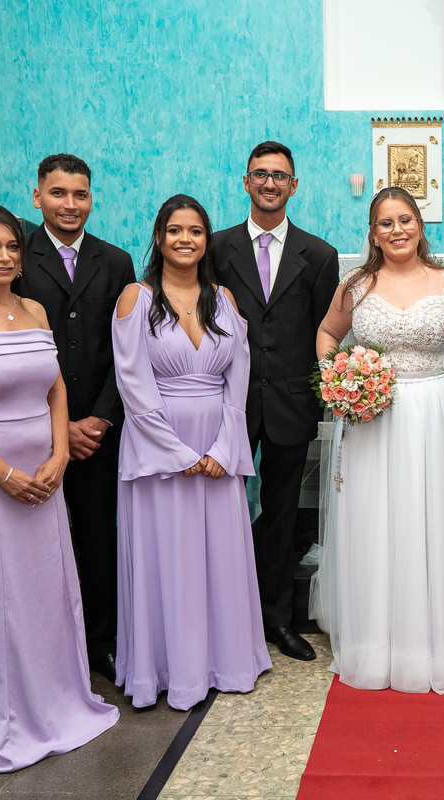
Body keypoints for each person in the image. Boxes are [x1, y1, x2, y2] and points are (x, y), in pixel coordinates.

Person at [0, 202, 118, 773]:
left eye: (11, 246)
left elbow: (56, 390)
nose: (4, 256)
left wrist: (59, 454)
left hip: (44, 474)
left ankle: (59, 704)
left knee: (48, 592)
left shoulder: (34, 309)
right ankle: (7, 721)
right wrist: (0, 471)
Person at [311, 187, 444, 693]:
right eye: (384, 223)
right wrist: (341, 375)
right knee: (377, 520)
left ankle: (443, 638)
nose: (396, 230)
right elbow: (328, 333)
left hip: (436, 409)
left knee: (436, 518)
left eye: (405, 219)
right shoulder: (356, 284)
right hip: (375, 417)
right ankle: (378, 641)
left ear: (420, 225)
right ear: (372, 233)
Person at [112, 195, 269, 710]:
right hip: (161, 450)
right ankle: (168, 669)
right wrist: (180, 453)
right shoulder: (136, 298)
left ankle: (225, 660)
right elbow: (133, 388)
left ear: (207, 240)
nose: (185, 239)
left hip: (218, 447)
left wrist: (223, 448)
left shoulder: (223, 299)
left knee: (219, 558)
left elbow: (237, 380)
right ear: (159, 238)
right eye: (175, 230)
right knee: (169, 558)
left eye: (196, 231)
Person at [212, 141, 339, 662]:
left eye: (280, 176)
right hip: (227, 402)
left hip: (290, 402)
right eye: (260, 175)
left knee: (283, 513)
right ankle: (225, 616)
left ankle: (277, 619)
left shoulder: (320, 254)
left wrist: (320, 394)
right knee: (221, 509)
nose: (270, 183)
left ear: (294, 185)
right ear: (245, 182)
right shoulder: (216, 247)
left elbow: (323, 332)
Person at [23, 154, 137, 683]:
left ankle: (102, 643)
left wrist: (99, 419)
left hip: (97, 431)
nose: (70, 204)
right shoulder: (15, 257)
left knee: (99, 540)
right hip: (34, 431)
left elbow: (127, 352)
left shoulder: (115, 261)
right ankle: (44, 649)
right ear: (37, 197)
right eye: (59, 193)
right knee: (37, 543)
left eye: (80, 194)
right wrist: (56, 426)